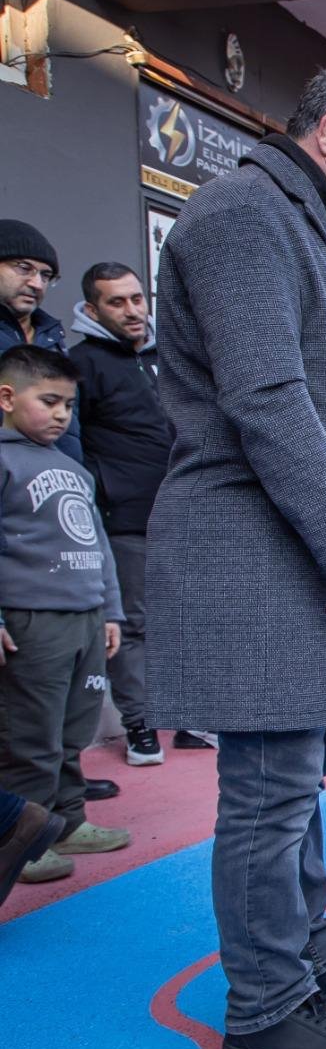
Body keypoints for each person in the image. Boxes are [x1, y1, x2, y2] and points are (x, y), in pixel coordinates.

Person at [146, 65, 326, 1049]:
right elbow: (266, 396)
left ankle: (310, 952)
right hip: (256, 551)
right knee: (269, 792)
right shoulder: (241, 215)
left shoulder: (296, 221)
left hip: (289, 550)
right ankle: (268, 1004)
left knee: (296, 781)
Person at [0, 346, 131, 886]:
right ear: (6, 397)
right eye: (48, 401)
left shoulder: (71, 468)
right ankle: (22, 840)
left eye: (68, 405)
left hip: (85, 617)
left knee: (73, 729)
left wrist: (110, 610)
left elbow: (98, 544)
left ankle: (67, 821)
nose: (61, 414)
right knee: (30, 734)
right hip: (31, 620)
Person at [68, 263, 174, 768]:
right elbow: (71, 443)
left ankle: (188, 714)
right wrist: (102, 495)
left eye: (137, 298)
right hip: (125, 518)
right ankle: (139, 724)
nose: (133, 310)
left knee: (183, 619)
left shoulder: (165, 357)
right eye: (117, 302)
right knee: (134, 625)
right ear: (92, 309)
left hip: (180, 512)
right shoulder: (81, 364)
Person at [0, 221, 78, 463]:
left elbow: (71, 427)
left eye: (46, 275)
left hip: (55, 484)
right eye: (24, 268)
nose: (36, 284)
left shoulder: (53, 336)